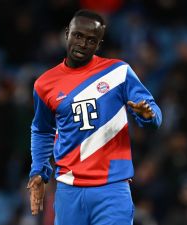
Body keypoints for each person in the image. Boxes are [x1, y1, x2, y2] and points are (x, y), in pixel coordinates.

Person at [27, 9, 162, 225]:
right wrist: (39, 171)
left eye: (91, 40)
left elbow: (153, 111)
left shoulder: (119, 72)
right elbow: (42, 130)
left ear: (98, 44)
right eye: (78, 36)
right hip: (68, 190)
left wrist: (149, 115)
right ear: (67, 34)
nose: (82, 43)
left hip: (112, 188)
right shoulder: (44, 84)